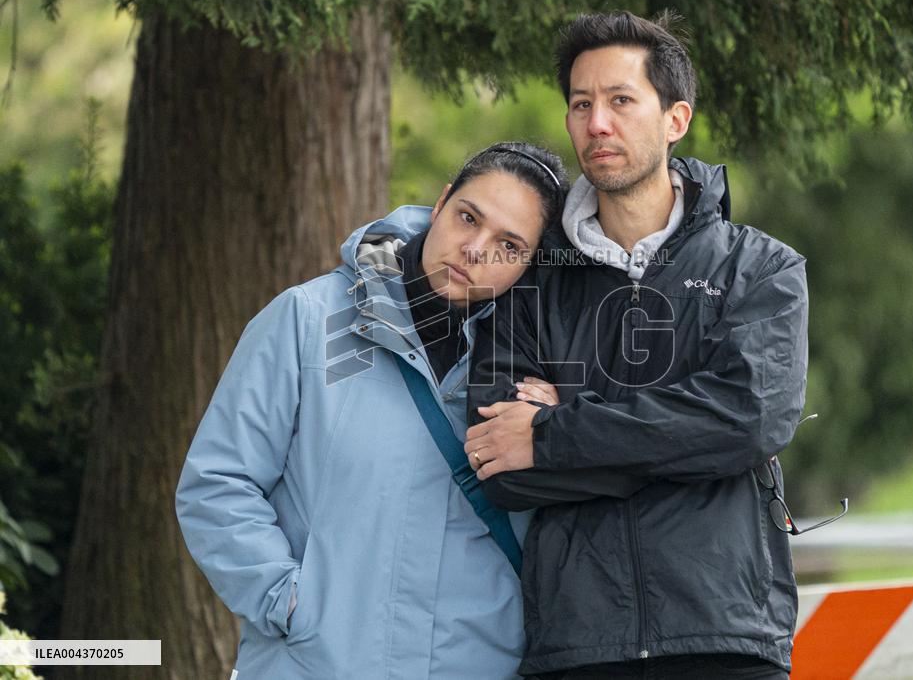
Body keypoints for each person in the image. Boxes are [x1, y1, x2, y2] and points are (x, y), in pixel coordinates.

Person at [174, 142, 631, 679]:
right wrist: (289, 603)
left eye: (508, 245)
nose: (475, 250)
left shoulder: (542, 371)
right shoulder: (309, 321)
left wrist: (558, 425)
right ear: (440, 204)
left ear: (529, 266)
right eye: (468, 218)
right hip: (315, 664)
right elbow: (218, 483)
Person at [465, 12, 810, 679]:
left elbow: (748, 422)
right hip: (577, 645)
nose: (598, 123)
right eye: (581, 104)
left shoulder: (760, 269)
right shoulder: (530, 280)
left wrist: (557, 426)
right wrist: (687, 434)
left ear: (674, 119)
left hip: (726, 638)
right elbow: (499, 463)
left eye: (621, 101)